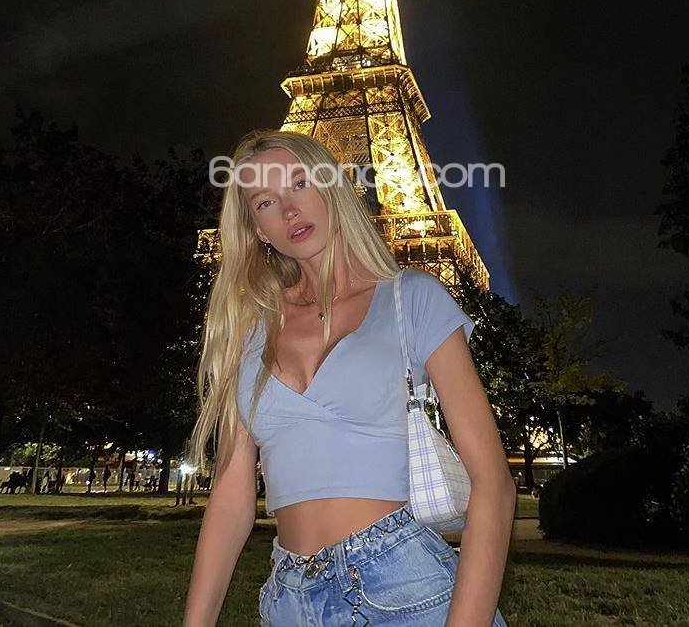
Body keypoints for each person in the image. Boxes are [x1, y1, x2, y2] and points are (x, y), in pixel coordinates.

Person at [182, 130, 515, 626]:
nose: (289, 210)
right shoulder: (249, 329)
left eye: (300, 183)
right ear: (258, 231)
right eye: (265, 202)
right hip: (290, 599)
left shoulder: (410, 299)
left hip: (405, 588)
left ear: (332, 186)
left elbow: (493, 483)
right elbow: (231, 499)